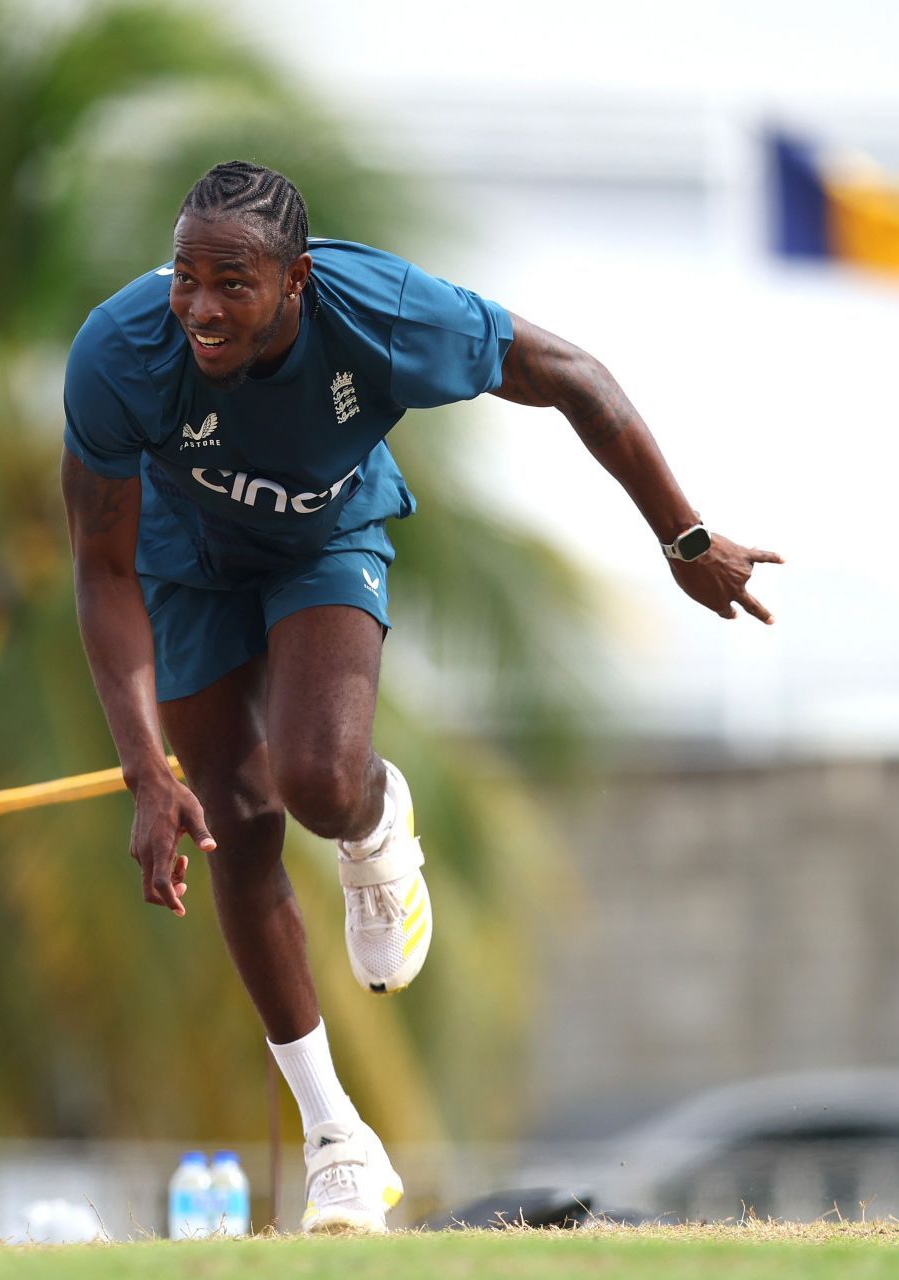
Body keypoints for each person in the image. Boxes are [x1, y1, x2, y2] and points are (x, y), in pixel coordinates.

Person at [61, 160, 782, 1234]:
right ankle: (337, 1141)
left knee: (315, 780)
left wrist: (682, 534)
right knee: (239, 822)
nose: (201, 307)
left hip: (324, 539)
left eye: (233, 281)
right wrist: (140, 773)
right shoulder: (121, 353)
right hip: (182, 561)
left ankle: (377, 818)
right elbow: (102, 570)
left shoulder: (383, 311)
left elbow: (576, 375)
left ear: (297, 279)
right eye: (185, 276)